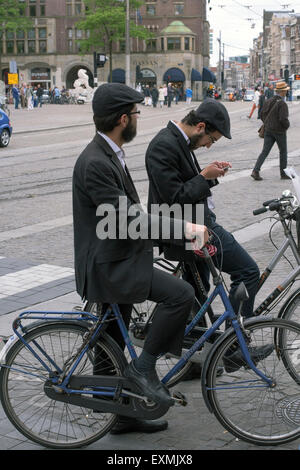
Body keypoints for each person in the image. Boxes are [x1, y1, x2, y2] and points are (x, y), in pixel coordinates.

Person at [72, 82, 209, 434]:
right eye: (135, 114)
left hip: (116, 257)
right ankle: (144, 368)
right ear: (122, 119)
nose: (137, 119)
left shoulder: (107, 153)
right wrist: (184, 229)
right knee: (180, 294)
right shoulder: (96, 162)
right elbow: (128, 219)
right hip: (110, 265)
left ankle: (121, 414)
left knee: (113, 338)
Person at [145, 98, 273, 379]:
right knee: (248, 271)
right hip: (189, 233)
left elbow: (184, 184)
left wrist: (208, 175)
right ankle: (234, 347)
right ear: (200, 126)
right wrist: (204, 175)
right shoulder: (163, 145)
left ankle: (195, 361)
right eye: (210, 139)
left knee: (197, 299)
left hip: (196, 228)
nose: (208, 145)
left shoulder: (177, 141)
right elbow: (174, 198)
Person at [251, 81, 290, 181]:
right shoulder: (282, 104)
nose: (286, 93)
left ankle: (255, 170)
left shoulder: (268, 101)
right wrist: (286, 126)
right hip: (279, 131)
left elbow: (262, 114)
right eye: (285, 91)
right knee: (283, 152)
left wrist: (268, 124)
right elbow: (283, 119)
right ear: (282, 92)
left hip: (268, 130)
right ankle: (283, 173)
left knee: (265, 151)